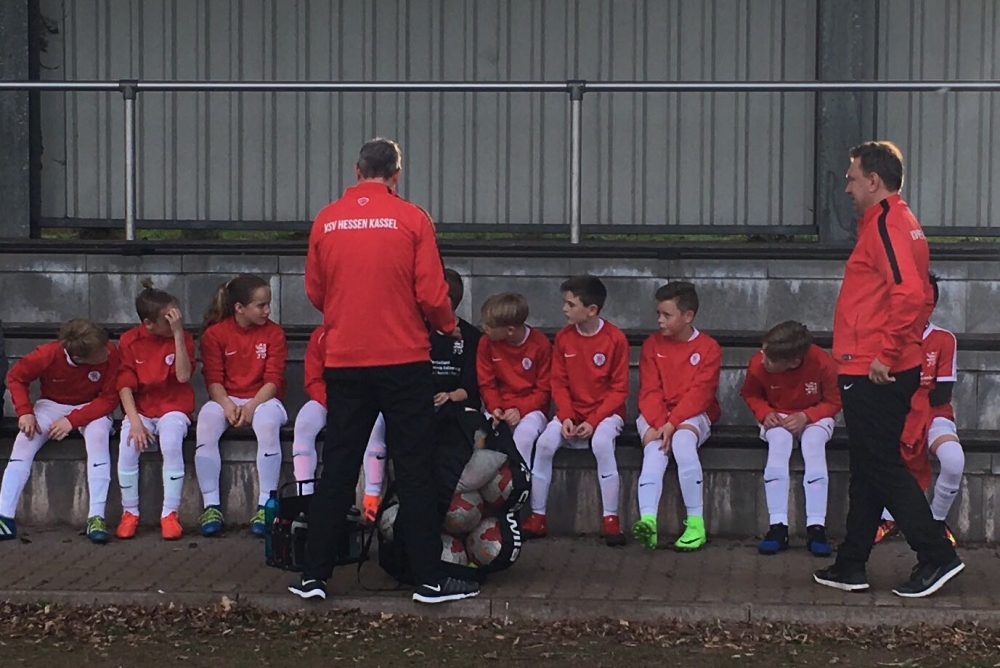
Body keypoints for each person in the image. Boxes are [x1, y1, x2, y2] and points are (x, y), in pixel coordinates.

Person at [292, 137, 480, 604]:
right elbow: (432, 293)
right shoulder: (412, 218)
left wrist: (345, 311)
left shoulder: (327, 219)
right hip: (403, 359)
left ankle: (313, 574)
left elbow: (315, 290)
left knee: (338, 465)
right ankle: (427, 578)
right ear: (396, 174)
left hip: (345, 359)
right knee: (414, 467)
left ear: (357, 170)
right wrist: (447, 326)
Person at [813, 140, 963, 598]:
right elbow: (907, 292)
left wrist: (885, 353)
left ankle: (936, 555)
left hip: (874, 369)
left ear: (874, 180)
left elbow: (910, 294)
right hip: (879, 364)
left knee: (881, 466)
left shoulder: (887, 224)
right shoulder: (898, 221)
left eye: (852, 178)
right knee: (868, 467)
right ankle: (851, 563)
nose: (847, 188)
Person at [361, 268, 482, 521]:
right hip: (414, 402)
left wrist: (451, 395)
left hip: (454, 407)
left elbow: (472, 387)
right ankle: (373, 500)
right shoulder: (416, 332)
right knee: (377, 425)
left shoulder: (472, 337)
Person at [522, 275, 629, 547]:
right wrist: (567, 415)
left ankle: (611, 518)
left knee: (602, 443)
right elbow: (558, 382)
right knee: (544, 444)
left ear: (591, 310)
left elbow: (619, 390)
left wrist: (594, 421)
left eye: (570, 304)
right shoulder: (564, 337)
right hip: (572, 411)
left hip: (606, 413)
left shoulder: (615, 338)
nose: (564, 309)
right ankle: (537, 516)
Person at [0, 318, 119, 543]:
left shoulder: (110, 352)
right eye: (100, 352)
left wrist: (72, 421)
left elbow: (109, 399)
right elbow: (16, 377)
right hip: (51, 405)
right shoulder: (48, 354)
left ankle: (96, 517)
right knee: (25, 439)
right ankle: (4, 516)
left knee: (98, 436)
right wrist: (25, 411)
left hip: (91, 406)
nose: (107, 351)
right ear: (80, 358)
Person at [195, 274, 288, 538]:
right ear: (239, 308)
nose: (267, 310)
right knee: (206, 422)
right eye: (261, 305)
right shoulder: (215, 334)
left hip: (264, 399)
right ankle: (211, 506)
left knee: (267, 424)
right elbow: (213, 380)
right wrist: (227, 406)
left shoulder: (274, 333)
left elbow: (273, 381)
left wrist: (250, 407)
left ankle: (266, 505)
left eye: (268, 304)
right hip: (227, 398)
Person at [875, 274, 963, 548]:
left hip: (934, 414)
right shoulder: (886, 338)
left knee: (953, 460)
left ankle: (935, 521)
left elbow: (941, 392)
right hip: (895, 411)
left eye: (927, 302)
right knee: (882, 458)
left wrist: (914, 395)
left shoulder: (944, 339)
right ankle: (888, 518)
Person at [632, 281, 721, 552]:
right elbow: (649, 390)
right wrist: (662, 424)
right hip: (657, 415)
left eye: (667, 315)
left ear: (688, 316)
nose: (660, 320)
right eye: (658, 314)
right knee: (654, 448)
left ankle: (696, 523)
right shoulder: (651, 345)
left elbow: (701, 394)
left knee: (682, 442)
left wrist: (673, 423)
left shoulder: (708, 348)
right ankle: (648, 521)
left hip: (693, 414)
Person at [740, 321, 840, 557]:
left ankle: (816, 526)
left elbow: (834, 401)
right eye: (764, 353)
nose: (764, 360)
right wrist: (765, 413)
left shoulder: (823, 363)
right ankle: (777, 526)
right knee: (779, 442)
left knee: (813, 444)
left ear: (794, 362)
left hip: (814, 415)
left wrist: (807, 416)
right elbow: (751, 394)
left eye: (771, 359)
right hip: (777, 414)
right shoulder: (759, 363)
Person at [115, 280, 196, 540]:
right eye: (168, 320)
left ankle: (169, 513)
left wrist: (177, 335)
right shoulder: (129, 341)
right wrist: (135, 421)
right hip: (141, 408)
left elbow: (183, 376)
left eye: (176, 317)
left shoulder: (182, 338)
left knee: (171, 441)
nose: (174, 322)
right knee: (128, 444)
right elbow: (124, 385)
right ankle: (130, 512)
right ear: (149, 324)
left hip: (173, 405)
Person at [476, 291, 552, 466]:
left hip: (532, 410)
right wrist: (495, 408)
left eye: (489, 326)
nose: (483, 327)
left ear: (510, 330)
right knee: (481, 438)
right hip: (499, 408)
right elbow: (486, 384)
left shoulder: (540, 344)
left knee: (523, 438)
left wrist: (519, 409)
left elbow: (544, 390)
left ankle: (519, 480)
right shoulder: (486, 343)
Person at [291, 325, 327, 497]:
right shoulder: (320, 335)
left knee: (375, 425)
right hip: (327, 399)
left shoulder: (368, 332)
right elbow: (313, 379)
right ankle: (304, 497)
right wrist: (331, 401)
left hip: (363, 400)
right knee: (304, 424)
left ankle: (371, 499)